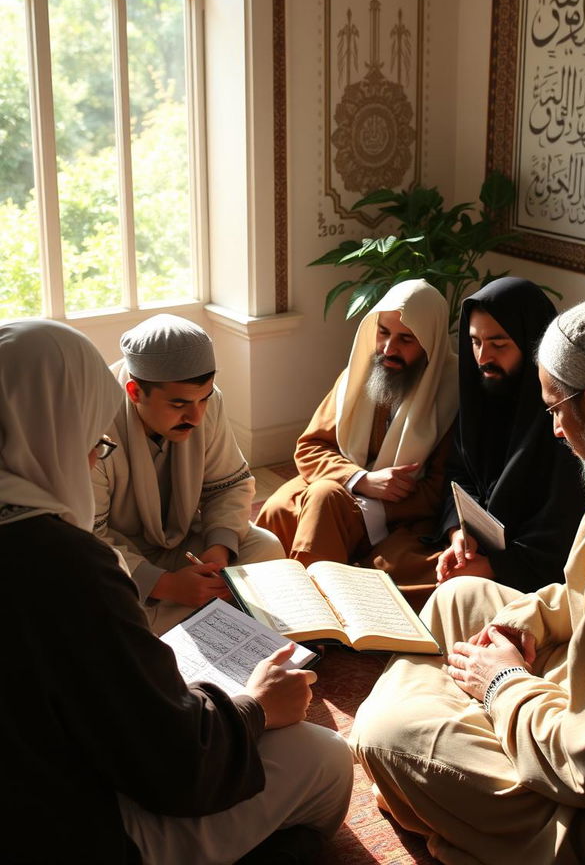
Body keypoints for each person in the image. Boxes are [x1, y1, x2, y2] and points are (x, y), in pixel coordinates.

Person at [0, 318, 353, 865]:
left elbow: (232, 484)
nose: (95, 454)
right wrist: (254, 708)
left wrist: (217, 552)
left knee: (257, 544)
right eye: (91, 440)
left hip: (172, 559)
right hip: (67, 825)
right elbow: (172, 763)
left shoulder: (47, 543)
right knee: (326, 757)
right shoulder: (65, 566)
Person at [350, 296, 585, 865]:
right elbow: (584, 593)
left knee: (385, 732)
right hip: (578, 704)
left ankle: (419, 764)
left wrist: (500, 682)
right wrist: (529, 618)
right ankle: (432, 766)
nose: (554, 429)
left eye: (556, 409)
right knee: (461, 595)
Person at [256, 280, 458, 589]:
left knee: (329, 505)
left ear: (429, 343)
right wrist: (361, 480)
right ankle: (258, 599)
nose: (389, 349)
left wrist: (374, 505)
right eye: (383, 333)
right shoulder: (358, 376)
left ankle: (312, 609)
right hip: (344, 481)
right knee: (279, 509)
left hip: (403, 511)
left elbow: (441, 491)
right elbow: (310, 448)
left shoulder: (452, 394)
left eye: (406, 339)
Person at [92, 314, 284, 633]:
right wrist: (164, 585)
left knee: (265, 547)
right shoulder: (96, 423)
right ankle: (213, 617)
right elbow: (89, 537)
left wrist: (218, 550)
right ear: (135, 392)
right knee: (108, 605)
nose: (195, 417)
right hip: (123, 559)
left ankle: (188, 622)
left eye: (203, 399)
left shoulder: (207, 404)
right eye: (179, 404)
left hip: (184, 547)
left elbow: (229, 485)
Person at [433, 276, 585, 591]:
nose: (483, 358)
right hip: (476, 553)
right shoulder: (484, 397)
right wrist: (459, 533)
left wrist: (494, 566)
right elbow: (458, 473)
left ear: (532, 341)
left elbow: (561, 529)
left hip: (531, 574)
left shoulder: (564, 418)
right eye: (475, 342)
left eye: (499, 344)